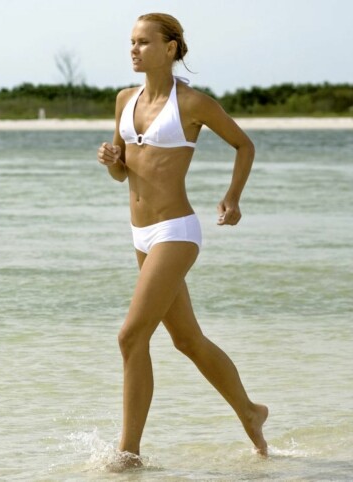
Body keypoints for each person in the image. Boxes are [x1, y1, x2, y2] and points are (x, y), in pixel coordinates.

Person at [95, 12, 268, 468]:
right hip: (141, 233)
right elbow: (121, 173)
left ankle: (128, 453)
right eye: (131, 42)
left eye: (144, 42)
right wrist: (112, 158)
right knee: (187, 340)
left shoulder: (192, 103)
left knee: (131, 336)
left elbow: (244, 144)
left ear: (170, 48)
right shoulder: (123, 100)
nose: (134, 49)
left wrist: (233, 197)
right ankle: (251, 412)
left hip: (176, 231)